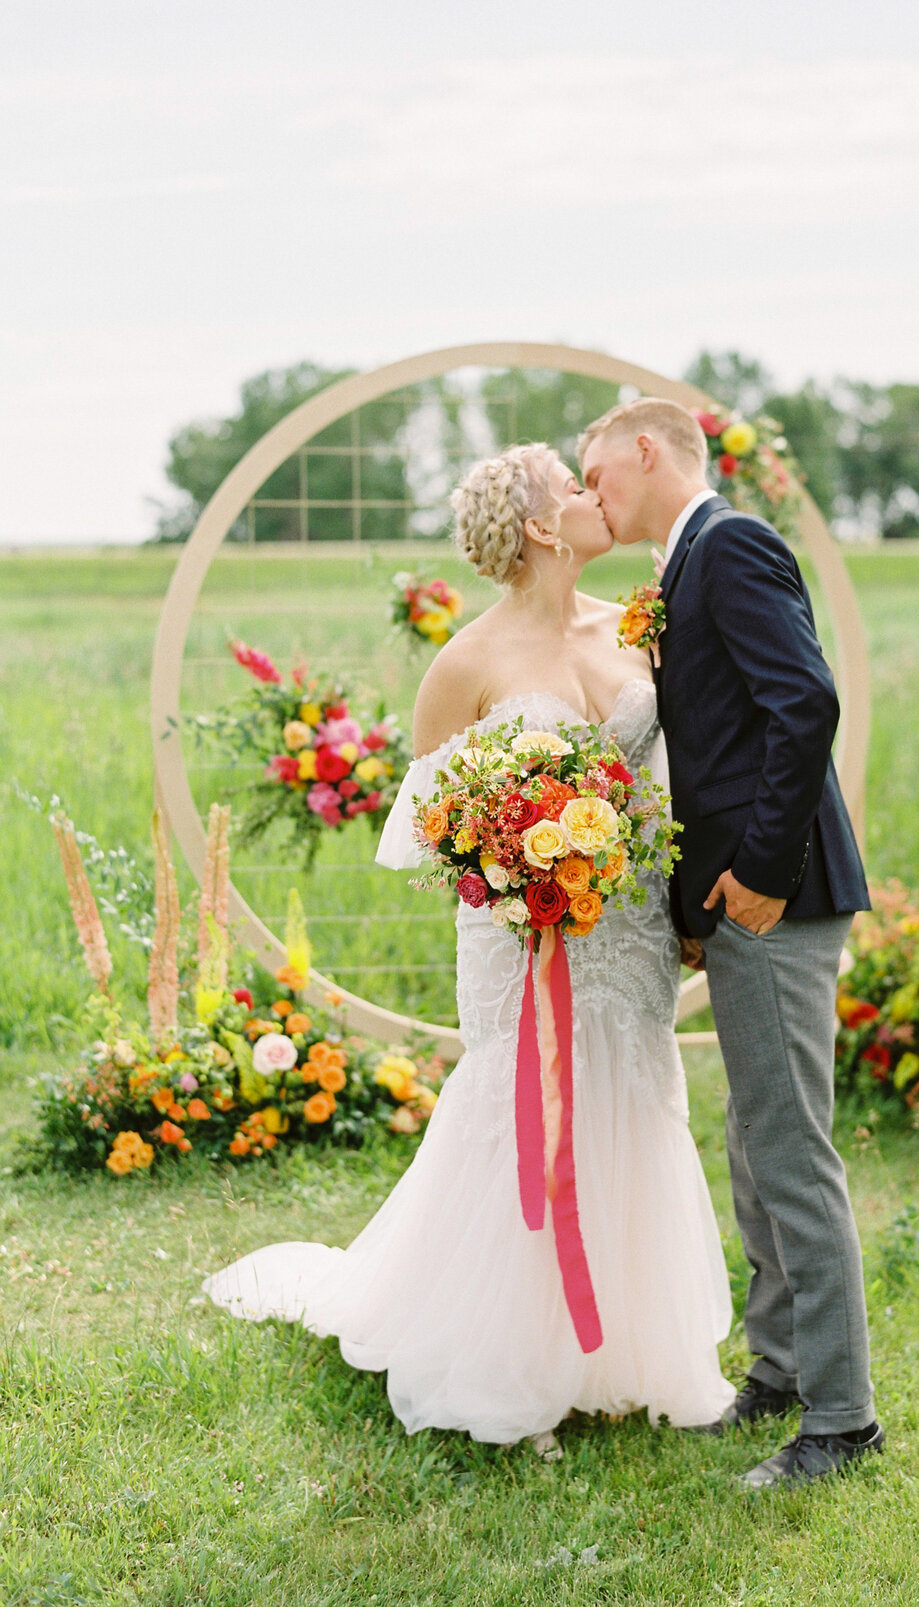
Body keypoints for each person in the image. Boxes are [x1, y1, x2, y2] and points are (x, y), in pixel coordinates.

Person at [202, 444, 735, 1450]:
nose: (595, 497)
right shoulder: (467, 662)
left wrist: (671, 891)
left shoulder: (632, 625)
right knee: (521, 1104)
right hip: (519, 934)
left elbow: (669, 772)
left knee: (631, 1086)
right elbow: (426, 824)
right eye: (576, 489)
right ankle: (511, 1360)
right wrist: (513, 865)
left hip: (627, 926)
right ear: (539, 524)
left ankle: (623, 1351)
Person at [580, 398, 882, 1489]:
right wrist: (698, 903)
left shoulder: (733, 542)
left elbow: (804, 702)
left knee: (793, 1154)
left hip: (782, 895)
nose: (590, 489)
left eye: (597, 467)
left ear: (647, 450)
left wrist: (756, 874)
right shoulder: (683, 562)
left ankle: (843, 1420)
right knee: (757, 1145)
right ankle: (784, 1368)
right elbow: (719, 739)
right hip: (735, 902)